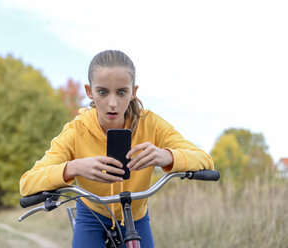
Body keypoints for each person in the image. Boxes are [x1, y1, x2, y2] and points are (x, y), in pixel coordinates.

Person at [19, 50, 214, 247]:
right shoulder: (75, 131)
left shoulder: (152, 124)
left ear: (133, 92)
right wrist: (74, 167)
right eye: (103, 92)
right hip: (92, 214)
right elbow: (27, 183)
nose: (112, 103)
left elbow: (204, 159)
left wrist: (167, 156)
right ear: (89, 91)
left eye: (121, 92)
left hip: (136, 216)